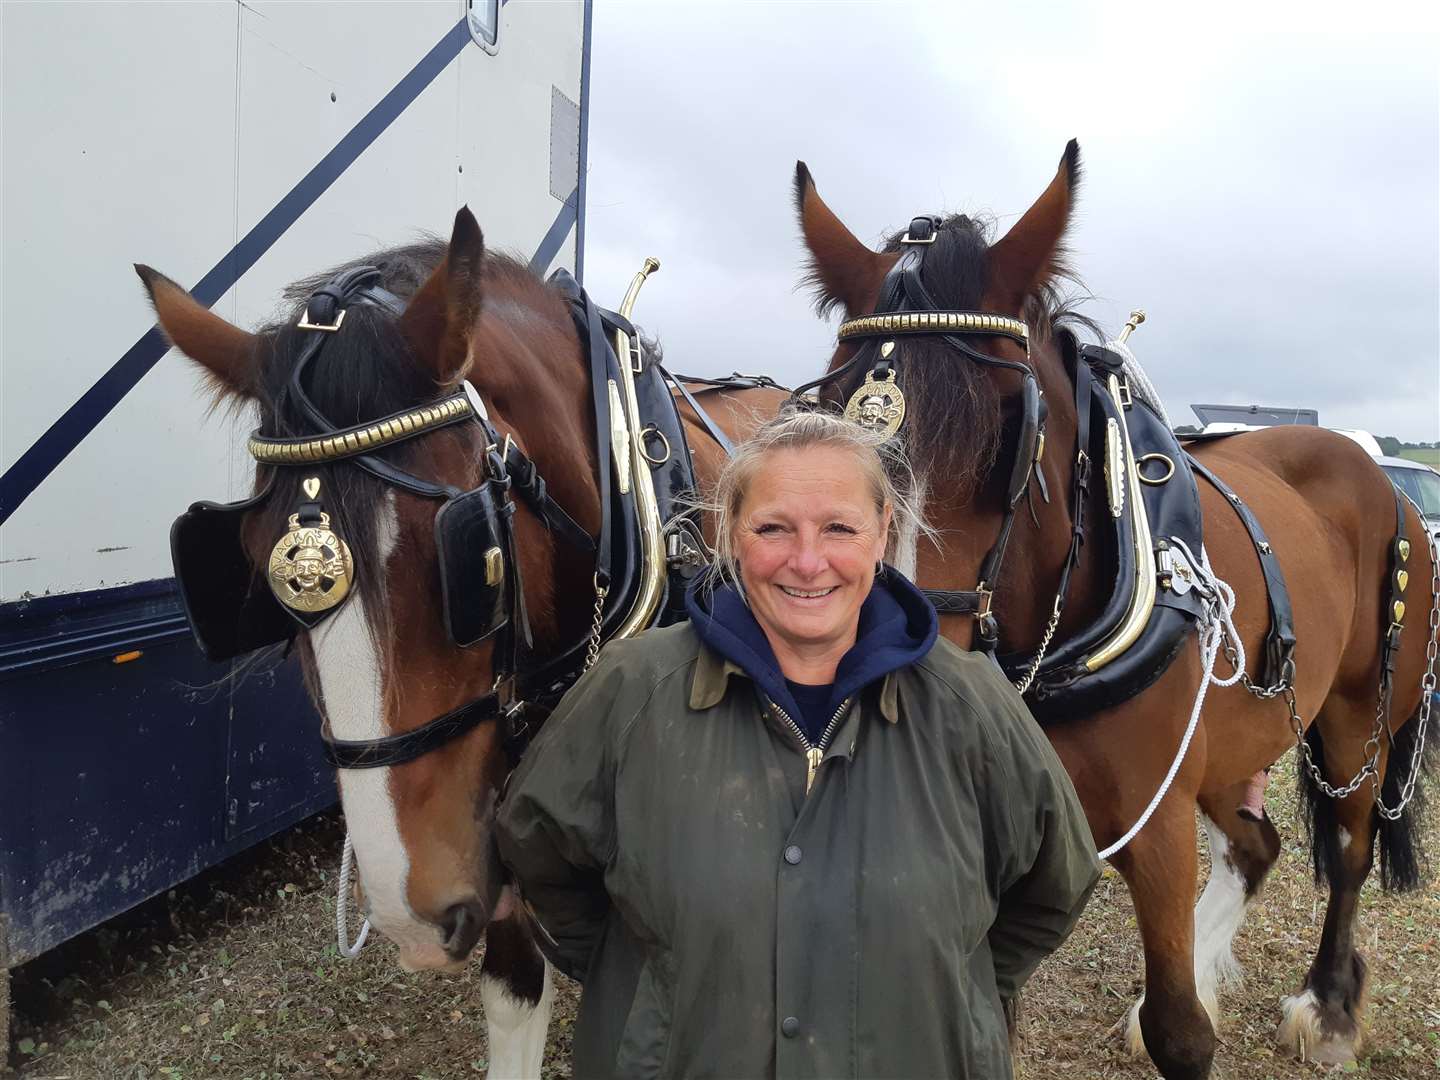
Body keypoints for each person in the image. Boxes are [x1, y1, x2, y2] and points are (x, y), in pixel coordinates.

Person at [496, 410, 1100, 1079]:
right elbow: (539, 848)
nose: (807, 561)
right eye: (774, 528)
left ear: (882, 536)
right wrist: (647, 982)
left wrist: (953, 993)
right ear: (730, 535)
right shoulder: (630, 691)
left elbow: (1052, 883)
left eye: (839, 528)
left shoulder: (971, 704)